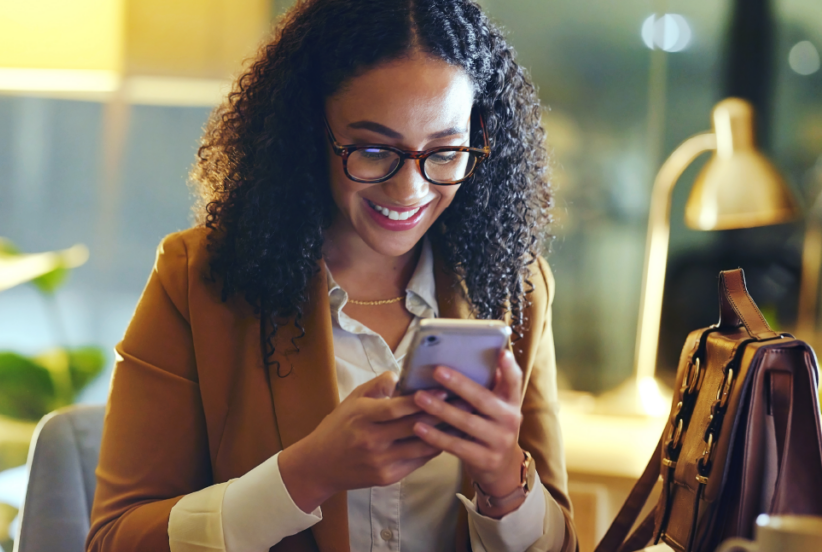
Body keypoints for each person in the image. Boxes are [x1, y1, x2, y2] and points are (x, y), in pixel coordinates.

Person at [87, 1, 575, 551]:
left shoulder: (515, 288)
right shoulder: (199, 282)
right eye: (372, 150)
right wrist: (306, 475)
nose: (409, 190)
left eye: (443, 151)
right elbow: (114, 540)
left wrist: (505, 479)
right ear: (307, 132)